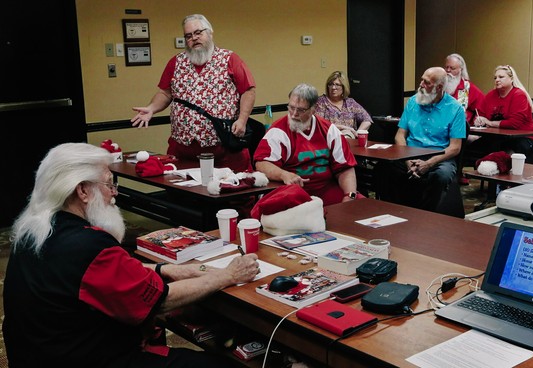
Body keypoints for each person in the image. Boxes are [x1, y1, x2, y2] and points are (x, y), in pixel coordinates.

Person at [3, 143, 260, 367]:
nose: (114, 194)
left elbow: (94, 277)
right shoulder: (88, 246)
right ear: (82, 191)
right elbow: (161, 300)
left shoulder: (33, 232)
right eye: (108, 184)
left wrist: (164, 269)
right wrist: (228, 274)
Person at [131, 14, 256, 173]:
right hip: (183, 148)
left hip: (223, 148)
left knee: (232, 191)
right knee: (182, 192)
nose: (194, 38)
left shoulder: (230, 59)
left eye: (198, 33)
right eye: (188, 36)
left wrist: (242, 120)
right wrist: (151, 108)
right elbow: (165, 93)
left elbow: (248, 90)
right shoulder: (176, 62)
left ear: (210, 32)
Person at [374, 67, 467, 212]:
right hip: (409, 153)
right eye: (422, 80)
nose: (421, 85)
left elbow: (455, 147)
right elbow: (400, 135)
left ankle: (424, 215)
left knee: (441, 176)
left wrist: (428, 164)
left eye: (427, 82)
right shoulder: (413, 102)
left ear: (439, 87)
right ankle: (393, 210)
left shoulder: (455, 109)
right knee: (383, 168)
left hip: (439, 156)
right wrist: (407, 159)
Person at [253, 83, 362, 206]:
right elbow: (262, 164)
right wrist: (283, 174)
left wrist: (350, 196)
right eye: (291, 107)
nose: (293, 114)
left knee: (360, 206)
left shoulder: (329, 130)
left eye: (300, 110)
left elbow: (345, 168)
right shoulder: (279, 131)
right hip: (293, 192)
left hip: (325, 189)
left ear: (313, 109)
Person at [468, 65, 533, 159]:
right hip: (498, 137)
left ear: (511, 79)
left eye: (501, 77)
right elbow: (481, 114)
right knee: (470, 149)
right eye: (495, 77)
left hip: (523, 138)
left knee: (502, 153)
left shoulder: (519, 95)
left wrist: (489, 122)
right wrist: (479, 120)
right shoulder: (490, 95)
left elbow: (513, 124)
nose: (497, 80)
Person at [443, 53, 485, 185]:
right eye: (446, 68)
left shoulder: (468, 88)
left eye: (452, 68)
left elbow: (482, 110)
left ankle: (455, 172)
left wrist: (477, 122)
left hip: (460, 130)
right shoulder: (439, 85)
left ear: (461, 70)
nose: (448, 71)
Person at [314, 71, 373, 139]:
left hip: (349, 138)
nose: (333, 87)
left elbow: (367, 120)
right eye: (330, 84)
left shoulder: (350, 103)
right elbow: (319, 124)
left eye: (337, 84)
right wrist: (344, 128)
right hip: (329, 138)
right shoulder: (321, 102)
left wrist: (357, 133)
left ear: (343, 87)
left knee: (348, 136)